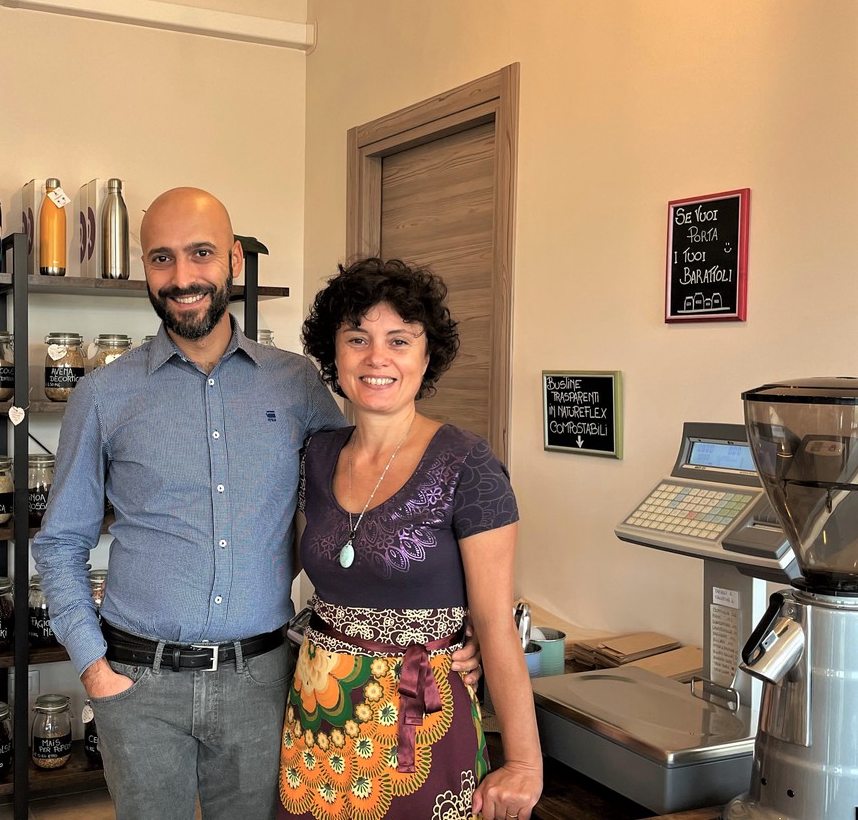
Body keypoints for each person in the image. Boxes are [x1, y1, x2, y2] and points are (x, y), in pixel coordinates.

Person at [33, 187, 480, 820]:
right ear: (145, 268)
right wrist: (93, 668)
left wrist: (452, 631)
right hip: (139, 684)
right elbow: (59, 543)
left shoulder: (296, 383)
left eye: (201, 253)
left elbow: (362, 511)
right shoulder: (103, 395)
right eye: (161, 258)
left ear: (235, 261)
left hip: (263, 682)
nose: (182, 277)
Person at [279, 257, 542, 820]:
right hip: (318, 717)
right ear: (334, 355)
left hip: (422, 720)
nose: (377, 358)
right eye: (358, 339)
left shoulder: (468, 464)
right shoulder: (316, 456)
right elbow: (281, 565)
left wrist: (524, 763)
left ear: (427, 356)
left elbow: (494, 621)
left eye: (399, 340)